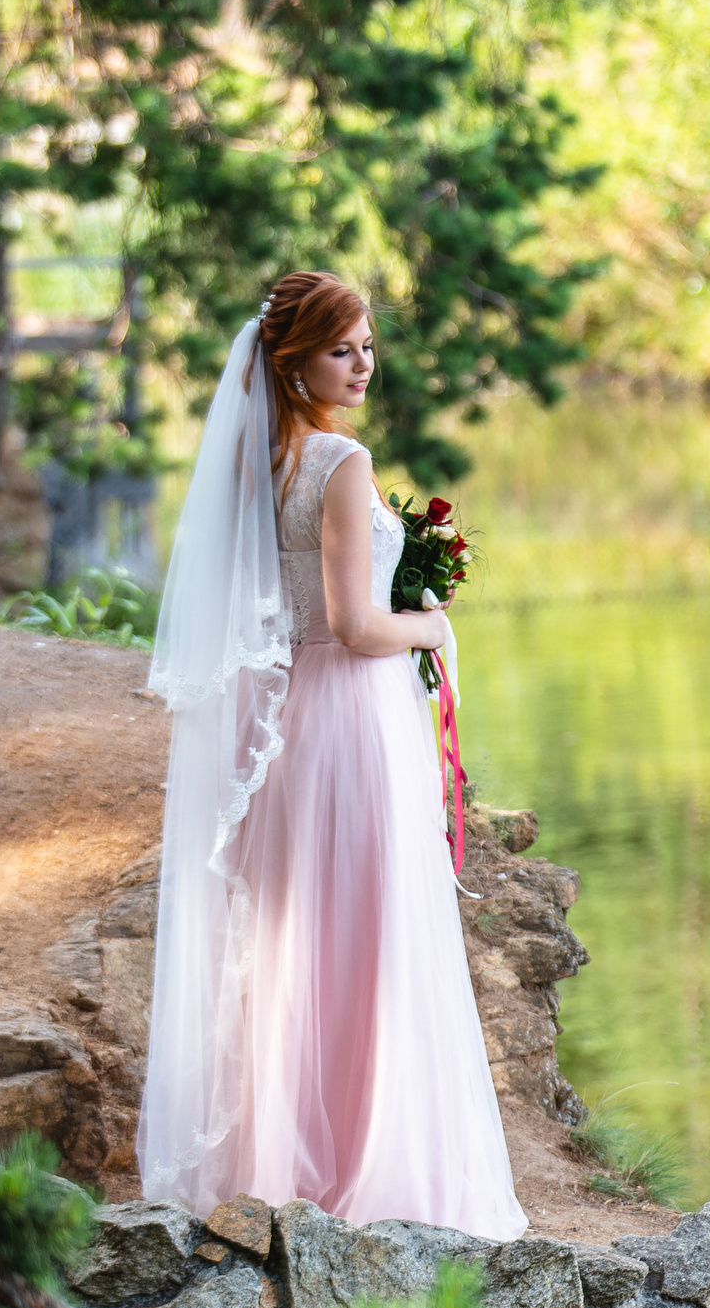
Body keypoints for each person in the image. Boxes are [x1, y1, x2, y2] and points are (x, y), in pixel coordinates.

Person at [138, 271, 525, 1240]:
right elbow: (356, 625)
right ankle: (368, 1168)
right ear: (293, 359)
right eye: (342, 349)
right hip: (351, 719)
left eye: (365, 348)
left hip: (282, 723)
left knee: (296, 939)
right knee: (367, 932)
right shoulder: (340, 464)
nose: (362, 366)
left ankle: (279, 1160)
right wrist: (430, 626)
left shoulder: (255, 463)